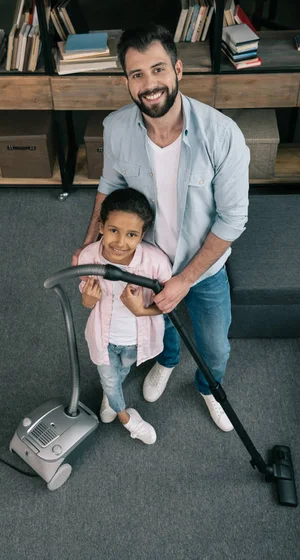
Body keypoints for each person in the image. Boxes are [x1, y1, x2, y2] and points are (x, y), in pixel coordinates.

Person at [73, 24, 250, 433]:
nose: (149, 84)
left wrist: (185, 280)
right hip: (144, 263)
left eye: (158, 70)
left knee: (214, 345)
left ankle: (209, 386)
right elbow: (110, 189)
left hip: (201, 270)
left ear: (178, 70)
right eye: (137, 74)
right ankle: (167, 362)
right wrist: (89, 246)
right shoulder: (116, 128)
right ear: (127, 81)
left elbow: (232, 219)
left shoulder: (222, 135)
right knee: (158, 325)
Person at [78, 187, 172, 445]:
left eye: (131, 234)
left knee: (122, 370)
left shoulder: (155, 263)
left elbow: (170, 303)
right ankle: (127, 417)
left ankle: (111, 394)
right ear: (101, 226)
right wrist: (87, 300)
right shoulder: (88, 257)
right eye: (113, 230)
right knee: (108, 375)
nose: (120, 242)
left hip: (135, 340)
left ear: (142, 234)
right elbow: (85, 295)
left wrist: (141, 309)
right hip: (103, 337)